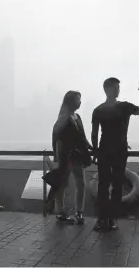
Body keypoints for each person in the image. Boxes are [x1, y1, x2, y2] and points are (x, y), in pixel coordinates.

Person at [91, 77, 139, 232]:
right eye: (116, 87)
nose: (119, 90)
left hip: (105, 151)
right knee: (114, 185)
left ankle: (102, 219)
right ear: (108, 89)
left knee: (104, 185)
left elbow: (94, 135)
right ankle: (110, 220)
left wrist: (95, 151)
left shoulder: (98, 110)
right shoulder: (124, 107)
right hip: (118, 151)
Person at [50, 90, 92, 224]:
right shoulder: (64, 117)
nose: (80, 102)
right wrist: (57, 156)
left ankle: (78, 211)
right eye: (78, 99)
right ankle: (60, 211)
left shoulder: (77, 117)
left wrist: (90, 147)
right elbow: (56, 137)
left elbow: (82, 137)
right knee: (63, 184)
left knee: (81, 184)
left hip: (78, 156)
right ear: (71, 101)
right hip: (66, 156)